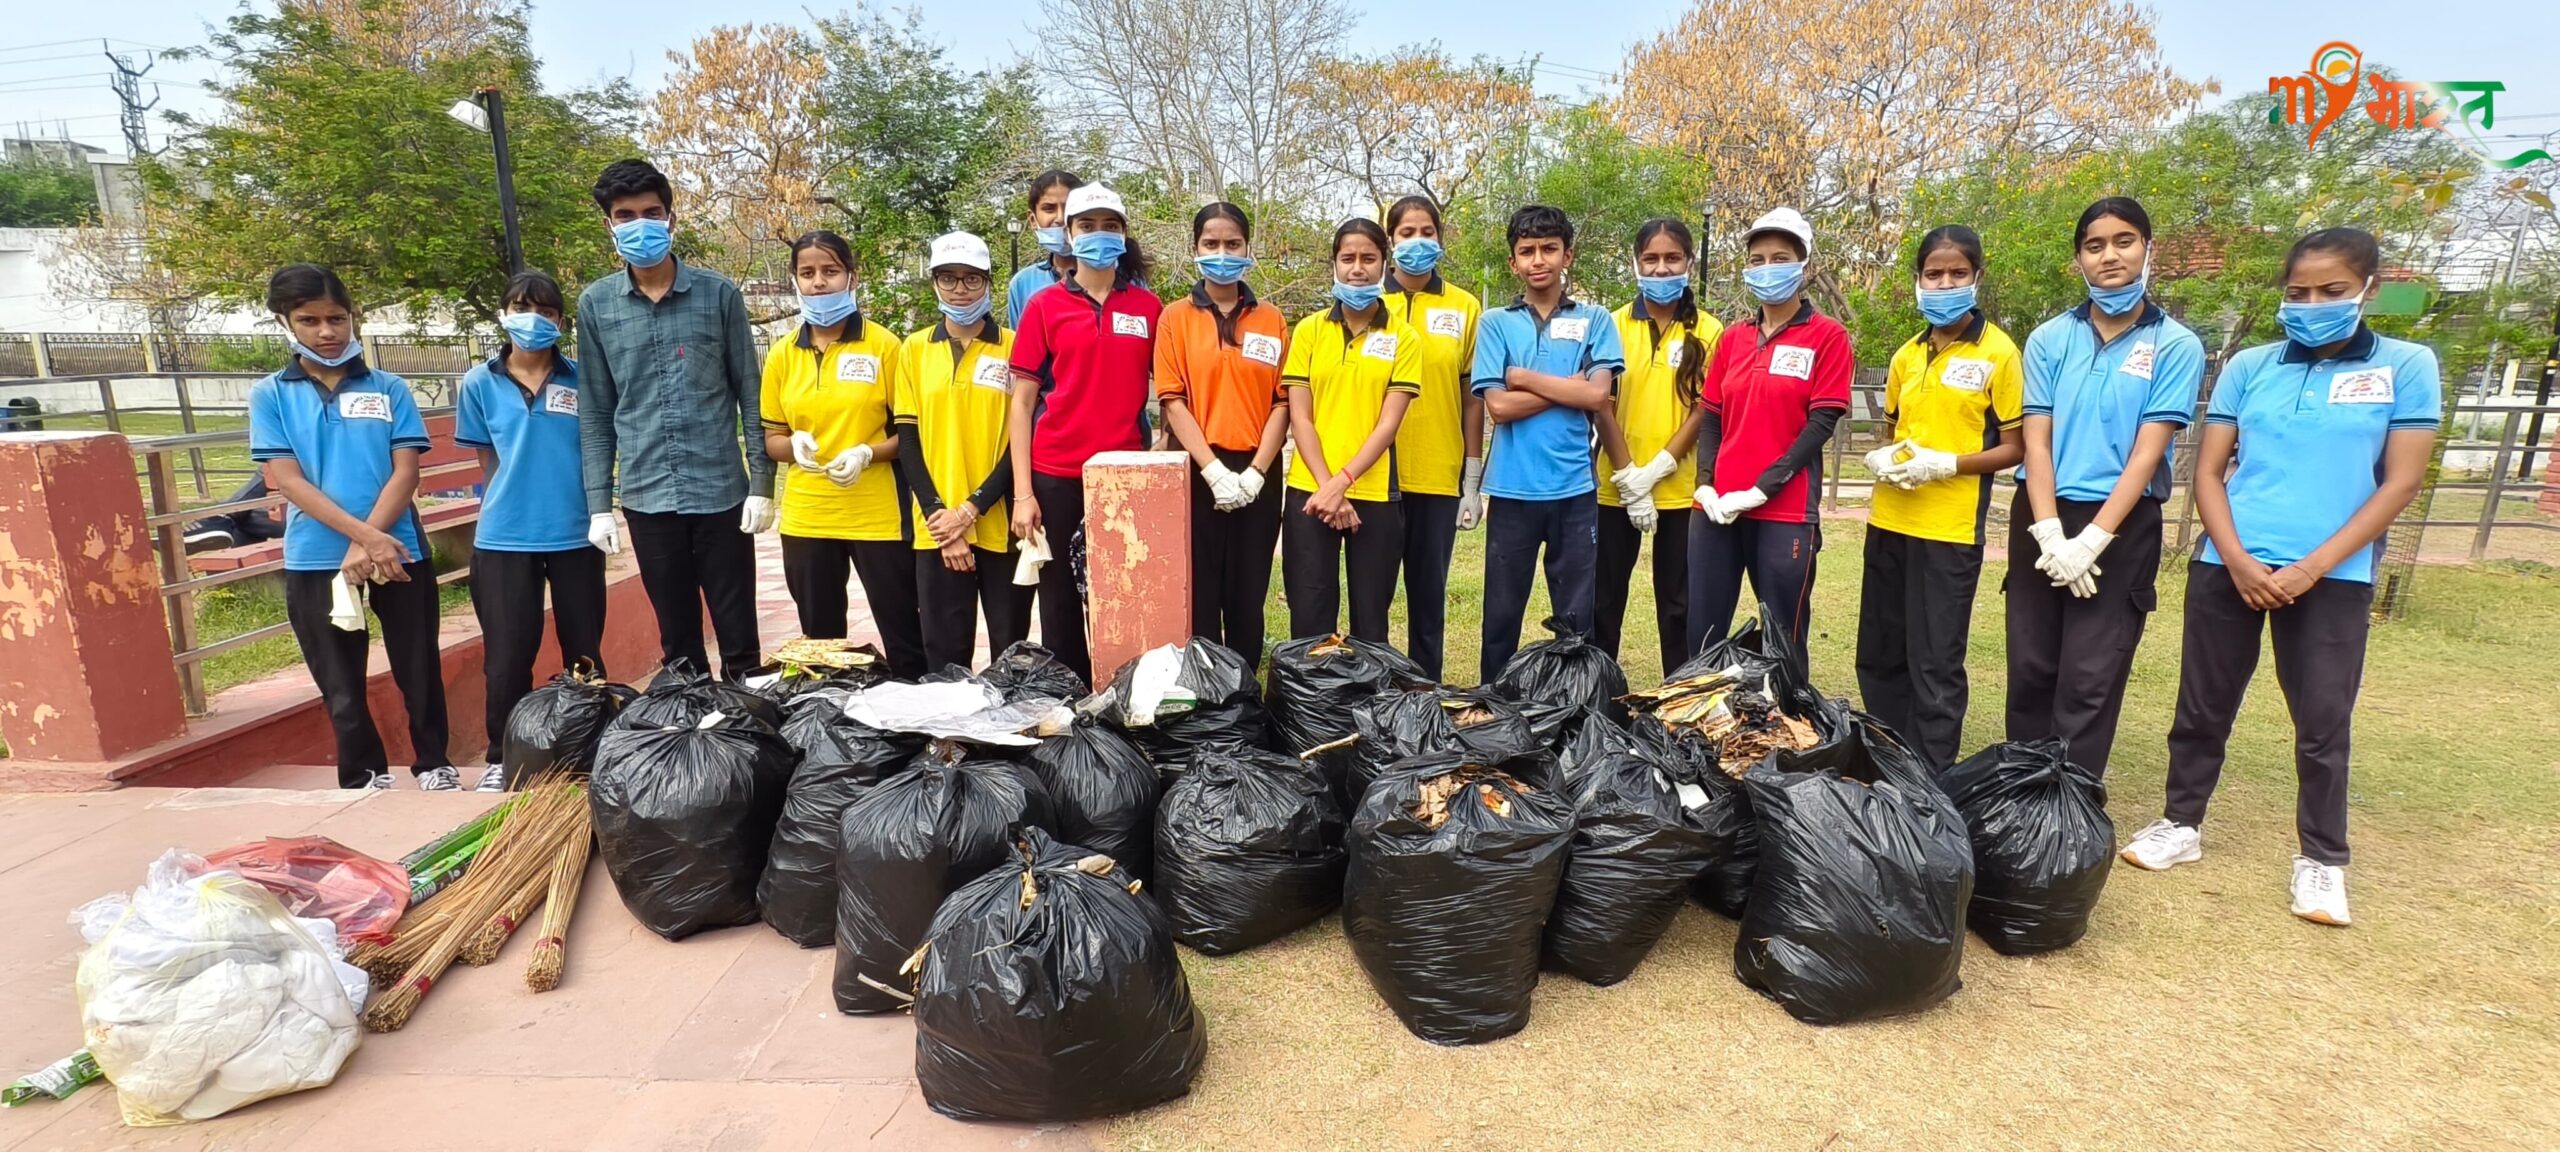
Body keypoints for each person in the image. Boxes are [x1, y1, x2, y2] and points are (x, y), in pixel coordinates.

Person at [2124, 227, 2438, 927]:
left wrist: (2312, 567)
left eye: (2332, 291)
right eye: (2299, 292)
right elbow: (2210, 472)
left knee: (2322, 719)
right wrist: (2236, 557)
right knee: (2203, 705)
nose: (2312, 304)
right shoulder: (2251, 366)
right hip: (2227, 564)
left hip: (2332, 575)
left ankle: (2322, 860)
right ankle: (2180, 822)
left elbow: (2400, 482)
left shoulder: (2406, 365)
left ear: (2369, 290)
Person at [2007, 196, 2203, 776]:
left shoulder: (2175, 345)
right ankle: (2020, 798)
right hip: (2042, 512)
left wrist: (2092, 541)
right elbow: (2036, 441)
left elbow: (2147, 453)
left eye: (2124, 241)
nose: (2109, 256)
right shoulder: (2049, 338)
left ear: (2148, 249)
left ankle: (2072, 801)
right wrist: (2049, 533)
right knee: (2032, 667)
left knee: (2089, 675)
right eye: (2094, 246)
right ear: (2079, 260)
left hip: (2121, 524)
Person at [246, 263, 454, 790]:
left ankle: (434, 764)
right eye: (309, 320)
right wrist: (364, 538)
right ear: (285, 322)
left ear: (352, 317)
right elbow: (288, 480)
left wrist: (375, 540)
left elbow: (406, 471)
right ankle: (364, 774)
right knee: (339, 677)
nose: (327, 332)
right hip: (317, 554)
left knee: (418, 666)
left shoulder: (389, 388)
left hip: (398, 551)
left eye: (337, 318)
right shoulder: (271, 395)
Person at [576, 158, 771, 679]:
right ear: (609, 225)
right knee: (678, 642)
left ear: (670, 218)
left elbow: (750, 394)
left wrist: (762, 484)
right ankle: (689, 724)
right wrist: (599, 505)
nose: (639, 224)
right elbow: (595, 411)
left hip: (721, 491)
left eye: (651, 212)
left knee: (739, 635)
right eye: (625, 216)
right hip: (647, 495)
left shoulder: (718, 294)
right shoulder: (596, 305)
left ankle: (746, 721)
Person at [1853, 225, 2025, 770]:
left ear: (1977, 277)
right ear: (1918, 280)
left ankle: (1930, 775)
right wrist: (1887, 458)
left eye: (1957, 273)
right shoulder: (1907, 354)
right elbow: (1894, 432)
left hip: (1949, 530)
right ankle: (1885, 759)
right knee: (1880, 652)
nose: (1944, 283)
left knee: (1935, 661)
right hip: (1890, 520)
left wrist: (1947, 464)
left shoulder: (1999, 353)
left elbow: (2015, 447)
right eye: (1934, 274)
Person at [455, 270, 605, 792]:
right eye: (522, 308)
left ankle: (588, 751)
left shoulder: (582, 379)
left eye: (546, 311)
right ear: (504, 314)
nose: (534, 320)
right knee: (507, 658)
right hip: (504, 539)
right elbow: (488, 459)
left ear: (561, 322)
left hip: (576, 535)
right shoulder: (479, 383)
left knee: (584, 653)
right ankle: (504, 758)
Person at [1009, 182, 1159, 683]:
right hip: (1055, 473)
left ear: (1124, 233)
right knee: (1058, 602)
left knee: (1122, 595)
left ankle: (1123, 692)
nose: (1099, 235)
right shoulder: (1044, 306)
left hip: (1124, 475)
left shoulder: (1148, 308)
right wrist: (1023, 493)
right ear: (1069, 234)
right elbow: (1022, 402)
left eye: (1109, 226)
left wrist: (1162, 449)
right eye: (1087, 226)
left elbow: (1170, 391)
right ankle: (1071, 702)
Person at [1471, 204, 1628, 683]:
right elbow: (1499, 407)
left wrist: (1523, 378)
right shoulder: (1495, 322)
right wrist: (1568, 386)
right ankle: (1493, 703)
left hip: (1575, 490)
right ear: (1513, 262)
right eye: (1527, 251)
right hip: (1512, 491)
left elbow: (1598, 396)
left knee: (1576, 620)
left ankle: (1573, 706)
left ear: (1567, 255)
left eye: (1549, 249)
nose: (1538, 260)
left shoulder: (1596, 320)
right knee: (1501, 617)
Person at [1686, 207, 1851, 662]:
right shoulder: (1733, 338)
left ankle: (1786, 705)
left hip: (1785, 510)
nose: (1767, 268)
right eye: (1757, 260)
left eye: (1780, 258)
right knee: (1702, 629)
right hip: (1717, 509)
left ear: (1804, 265)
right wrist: (1705, 483)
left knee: (1782, 634)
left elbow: (1821, 423)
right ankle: (1700, 704)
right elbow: (1712, 415)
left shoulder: (1828, 337)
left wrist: (1763, 488)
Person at [759, 229, 924, 678]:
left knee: (903, 631)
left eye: (830, 271)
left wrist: (868, 453)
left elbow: (909, 435)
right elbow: (773, 438)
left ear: (852, 276)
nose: (818, 282)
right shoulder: (781, 355)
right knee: (821, 644)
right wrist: (794, 446)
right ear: (795, 279)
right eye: (807, 273)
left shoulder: (885, 346)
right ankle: (828, 711)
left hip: (878, 515)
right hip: (808, 517)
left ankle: (913, 705)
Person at [1282, 217, 1424, 644]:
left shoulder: (1404, 338)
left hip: (1374, 492)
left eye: (1368, 258)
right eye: (1348, 258)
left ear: (1384, 263)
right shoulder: (1309, 331)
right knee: (1309, 613)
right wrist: (1327, 487)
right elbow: (1301, 418)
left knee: (1371, 620)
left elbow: (1388, 424)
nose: (1357, 268)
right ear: (1334, 264)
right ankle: (1311, 691)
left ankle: (1368, 691)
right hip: (1310, 490)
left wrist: (1343, 482)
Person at [894, 231, 1032, 672]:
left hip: (1001, 524)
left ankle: (1005, 721)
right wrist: (943, 520)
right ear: (934, 282)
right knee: (944, 654)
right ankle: (951, 723)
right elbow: (908, 440)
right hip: (935, 527)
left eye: (972, 279)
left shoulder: (1015, 345)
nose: (960, 290)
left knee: (1010, 651)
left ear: (989, 282)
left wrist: (971, 510)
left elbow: (1021, 438)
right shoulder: (914, 349)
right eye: (949, 278)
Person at [1157, 202, 1288, 663]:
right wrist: (1212, 471)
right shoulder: (1175, 318)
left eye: (1233, 244)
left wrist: (1255, 473)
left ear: (1248, 248)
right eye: (1211, 243)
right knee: (1201, 592)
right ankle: (1208, 688)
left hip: (1259, 470)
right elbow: (1172, 399)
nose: (1222, 253)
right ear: (1195, 248)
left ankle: (1245, 688)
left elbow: (1283, 402)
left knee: (1248, 595)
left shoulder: (1271, 319)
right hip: (1196, 470)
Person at [1597, 218, 1722, 680]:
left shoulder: (1710, 330)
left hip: (1680, 490)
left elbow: (1705, 408)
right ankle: (1597, 698)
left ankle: (1679, 700)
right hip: (1614, 486)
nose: (1661, 268)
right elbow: (1601, 403)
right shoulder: (1610, 324)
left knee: (1679, 604)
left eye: (1672, 258)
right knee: (1603, 600)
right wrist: (1631, 477)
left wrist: (1656, 470)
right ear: (1636, 263)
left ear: (1689, 261)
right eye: (1651, 259)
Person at [1381, 195, 1484, 679]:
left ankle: (1425, 697)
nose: (1417, 242)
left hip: (1438, 473)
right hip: (1374, 476)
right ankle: (1376, 698)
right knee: (1372, 600)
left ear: (1441, 238)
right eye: (1407, 233)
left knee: (1428, 602)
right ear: (1390, 240)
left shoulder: (1465, 306)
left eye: (1427, 232)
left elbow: (1472, 397)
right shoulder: (1367, 301)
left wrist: (1471, 478)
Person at [1006, 169, 1082, 331]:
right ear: (1033, 220)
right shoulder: (1022, 283)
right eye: (1049, 209)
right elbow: (1019, 341)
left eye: (1069, 207)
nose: (1060, 218)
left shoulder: (1121, 276)